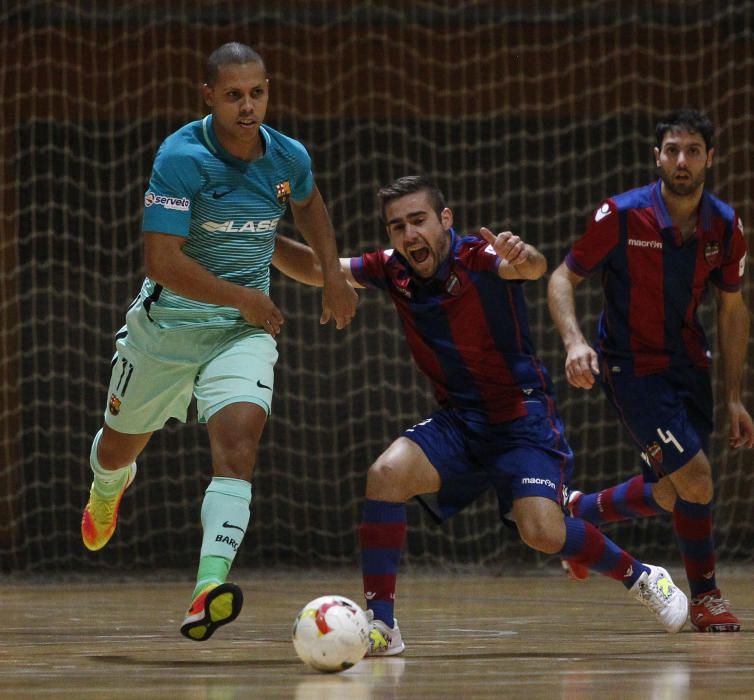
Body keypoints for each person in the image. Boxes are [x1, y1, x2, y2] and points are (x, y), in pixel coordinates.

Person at [272, 174, 690, 654]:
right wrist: (263, 238)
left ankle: (640, 576)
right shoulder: (391, 269)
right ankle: (382, 626)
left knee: (541, 532)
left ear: (444, 220)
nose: (409, 235)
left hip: (522, 418)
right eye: (396, 226)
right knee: (386, 474)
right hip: (460, 422)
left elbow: (530, 267)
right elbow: (318, 269)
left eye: (418, 221)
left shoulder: (479, 256)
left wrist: (523, 255)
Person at [81, 42, 358, 641]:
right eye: (234, 95)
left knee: (238, 444)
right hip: (166, 334)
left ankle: (208, 587)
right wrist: (241, 295)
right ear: (208, 96)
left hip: (241, 334)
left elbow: (310, 206)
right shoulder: (181, 157)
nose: (248, 105)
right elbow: (160, 261)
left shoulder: (286, 157)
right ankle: (108, 487)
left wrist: (333, 276)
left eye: (257, 92)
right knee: (116, 453)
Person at [547, 108, 752, 633]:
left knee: (673, 489)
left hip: (689, 364)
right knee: (698, 478)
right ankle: (705, 598)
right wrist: (574, 344)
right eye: (672, 150)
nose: (681, 161)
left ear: (710, 157)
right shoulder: (620, 214)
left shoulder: (725, 226)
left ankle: (581, 510)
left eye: (692, 151)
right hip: (630, 367)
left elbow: (732, 308)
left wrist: (733, 397)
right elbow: (561, 278)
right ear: (656, 157)